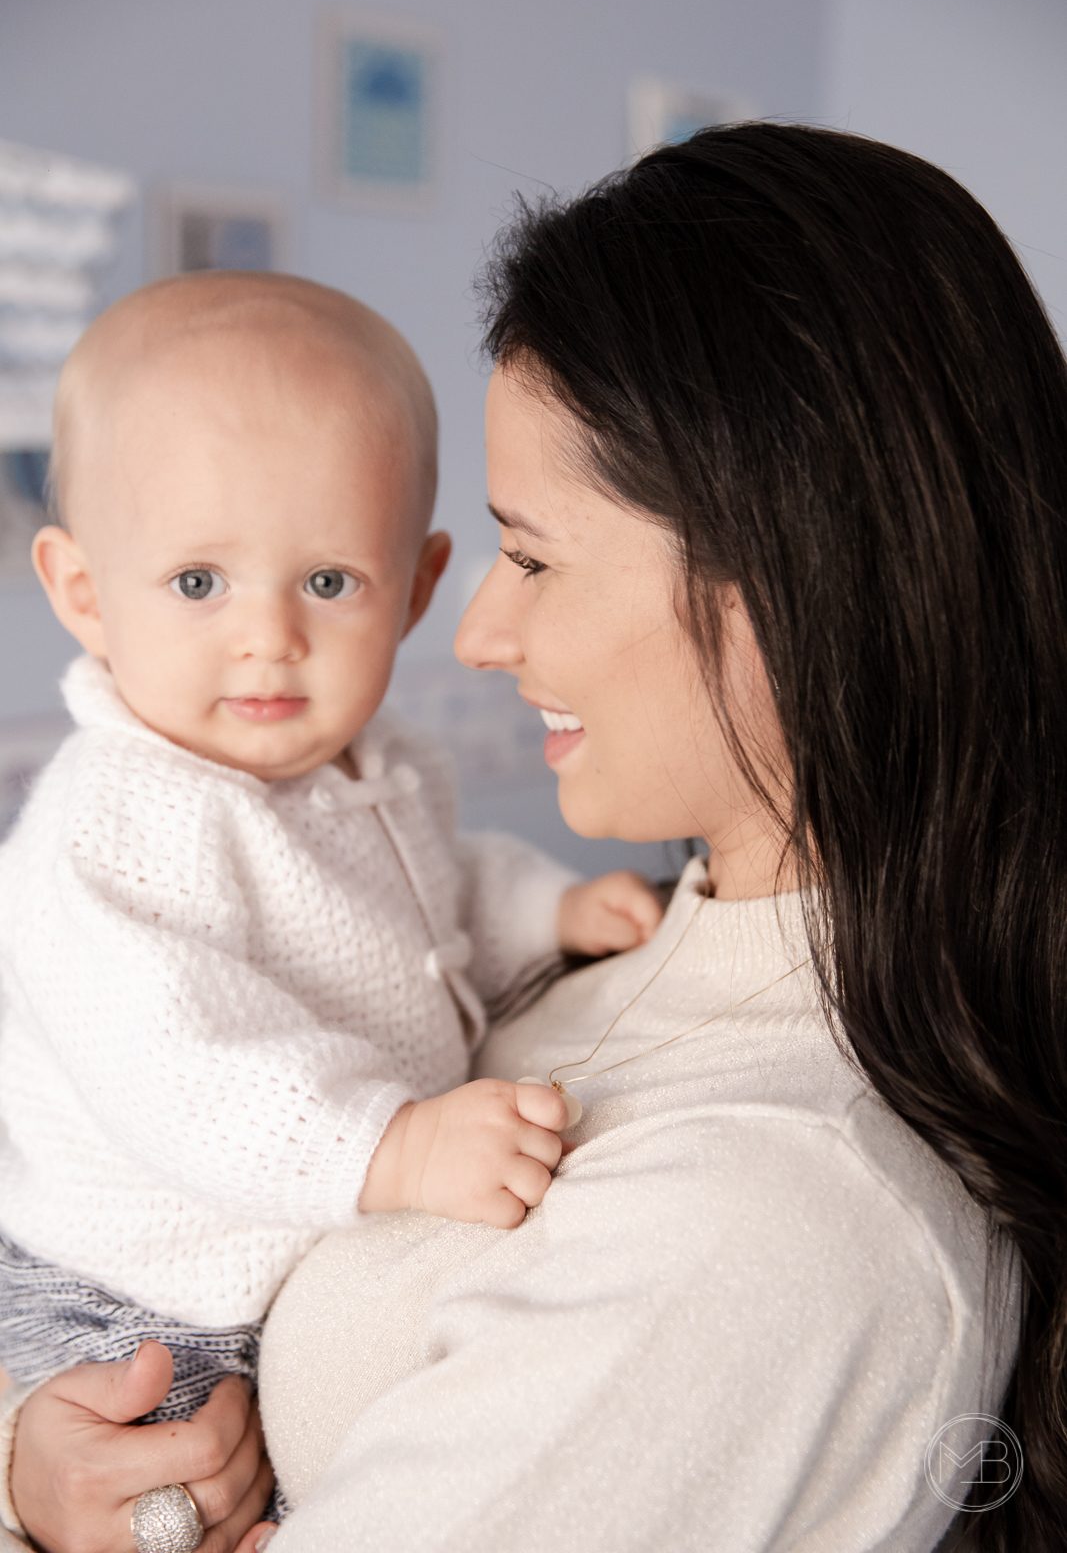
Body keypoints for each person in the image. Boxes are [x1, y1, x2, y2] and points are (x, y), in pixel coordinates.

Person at [7, 121, 1067, 1553]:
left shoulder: (763, 1219)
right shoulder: (654, 944)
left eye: (528, 554)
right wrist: (31, 1473)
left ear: (789, 575)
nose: (477, 635)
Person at [0, 271, 664, 1536]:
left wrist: (548, 911)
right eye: (199, 583)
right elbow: (182, 1068)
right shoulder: (115, 824)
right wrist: (392, 1147)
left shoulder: (376, 762)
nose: (268, 637)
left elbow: (435, 898)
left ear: (413, 587)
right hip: (141, 1292)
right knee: (178, 1490)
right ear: (83, 591)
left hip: (291, 1246)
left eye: (326, 583)